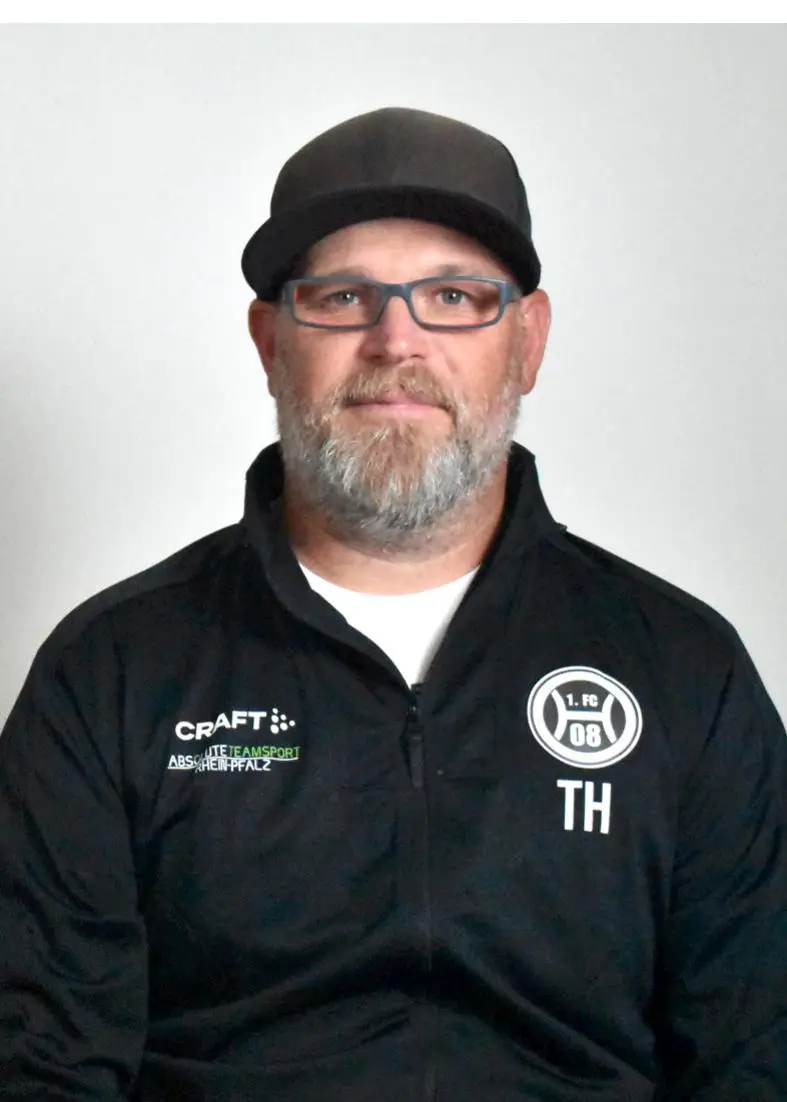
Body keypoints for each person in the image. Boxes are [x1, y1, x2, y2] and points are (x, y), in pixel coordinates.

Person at [0, 106, 785, 1102]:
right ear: (270, 342)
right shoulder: (112, 671)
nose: (395, 340)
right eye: (342, 297)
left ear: (527, 341)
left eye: (453, 296)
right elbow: (44, 1064)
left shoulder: (682, 669)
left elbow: (755, 1051)